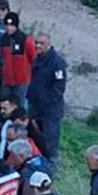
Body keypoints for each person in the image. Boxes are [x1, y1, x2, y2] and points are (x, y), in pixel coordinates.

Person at [27, 33, 67, 165]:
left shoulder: (57, 63)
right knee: (34, 137)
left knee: (50, 141)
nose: (38, 45)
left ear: (49, 45)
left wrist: (46, 102)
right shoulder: (37, 59)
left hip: (51, 110)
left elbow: (59, 88)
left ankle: (51, 168)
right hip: (35, 107)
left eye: (41, 43)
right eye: (36, 42)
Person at [0, 12, 37, 112]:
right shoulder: (3, 39)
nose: (8, 28)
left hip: (22, 81)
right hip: (7, 80)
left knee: (19, 107)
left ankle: (22, 125)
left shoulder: (26, 40)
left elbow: (34, 59)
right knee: (4, 105)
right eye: (6, 25)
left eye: (11, 25)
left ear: (16, 25)